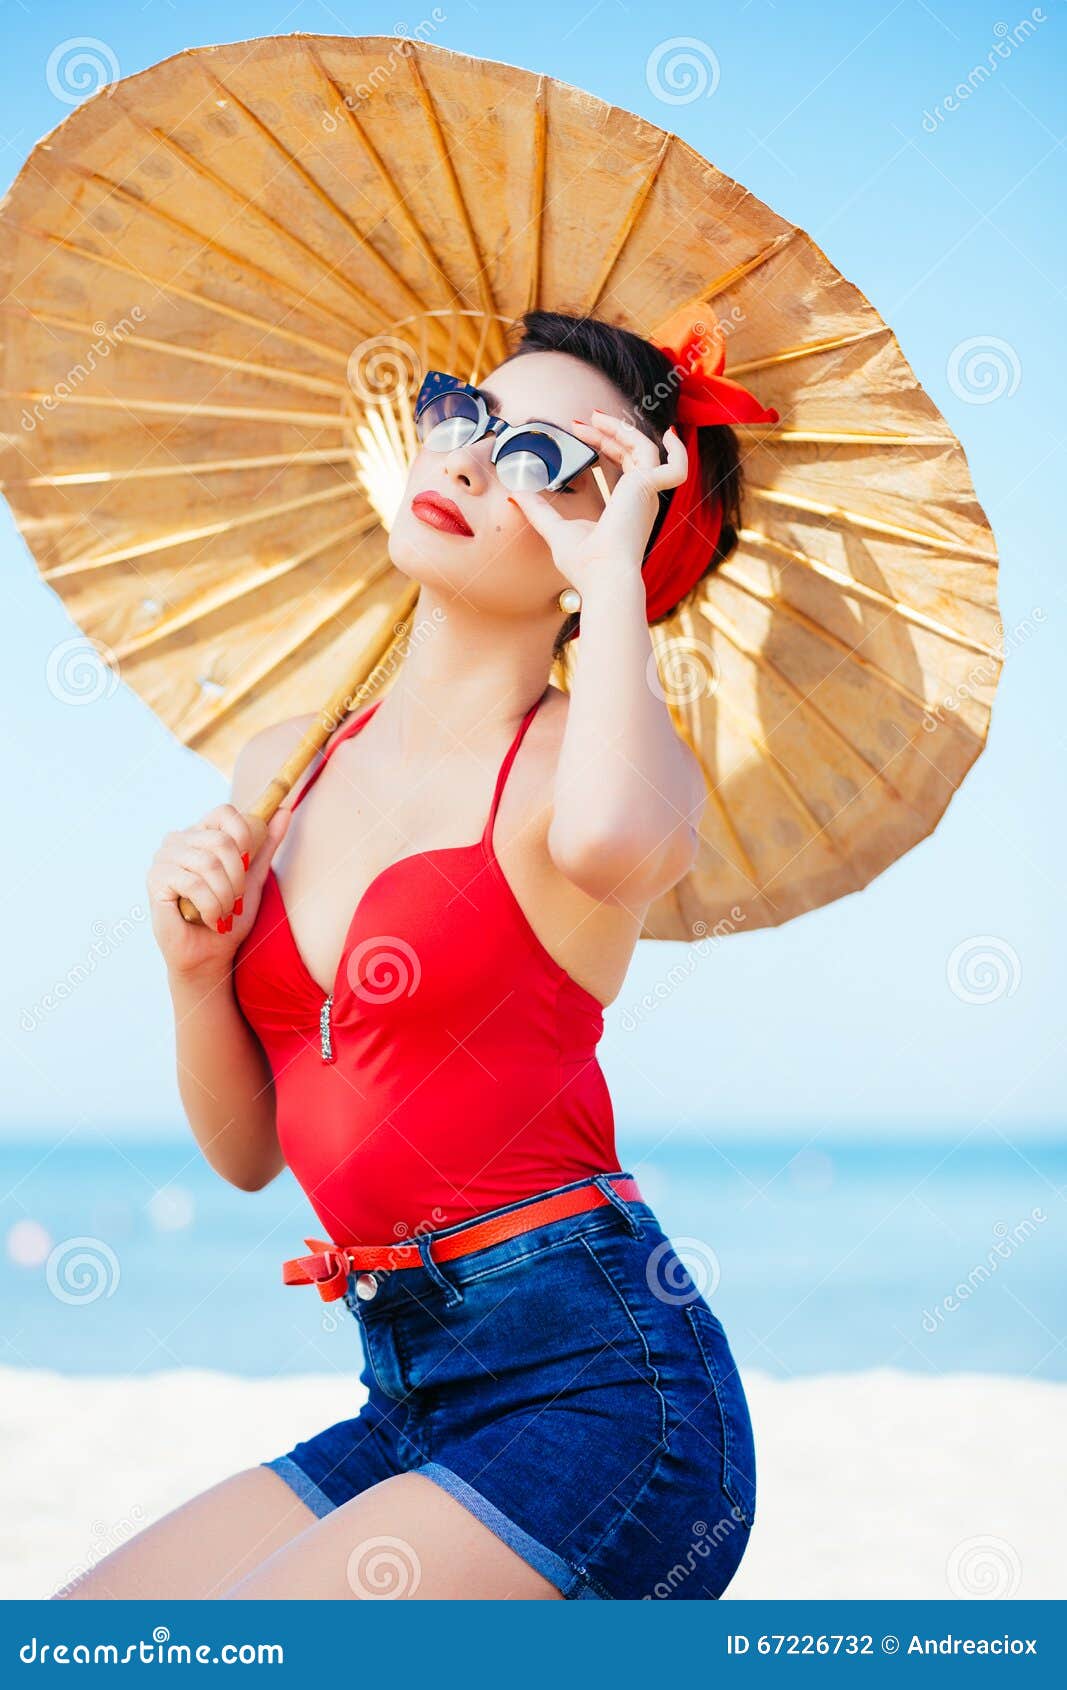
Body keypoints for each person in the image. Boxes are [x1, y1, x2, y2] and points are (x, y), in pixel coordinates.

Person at [61, 310, 773, 1601]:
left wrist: (613, 580)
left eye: (539, 457)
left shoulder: (589, 769)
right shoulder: (290, 757)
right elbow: (248, 1152)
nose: (465, 457)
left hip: (609, 1398)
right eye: (465, 411)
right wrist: (190, 969)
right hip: (409, 1396)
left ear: (602, 539)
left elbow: (621, 843)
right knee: (83, 1641)